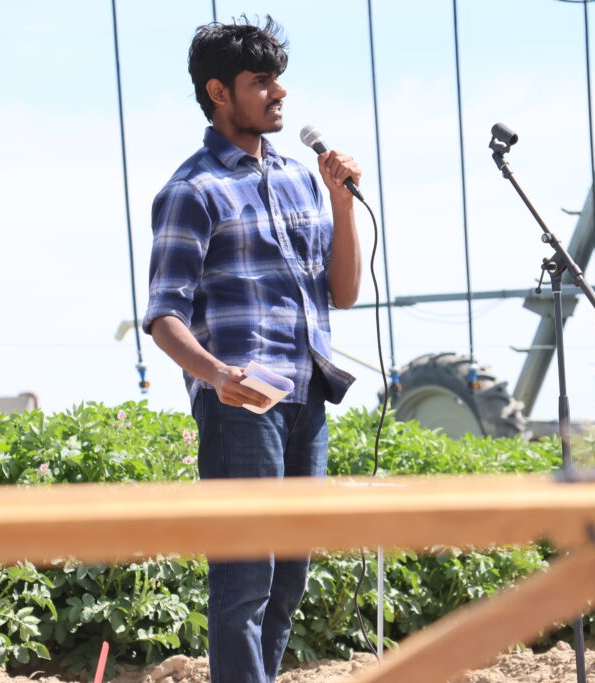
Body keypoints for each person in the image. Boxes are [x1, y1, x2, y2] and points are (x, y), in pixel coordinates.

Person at [141, 17, 361, 683]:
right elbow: (162, 314)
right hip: (241, 408)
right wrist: (217, 376)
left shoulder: (301, 180)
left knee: (288, 576)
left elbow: (343, 293)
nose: (278, 93)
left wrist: (342, 204)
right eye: (260, 82)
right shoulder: (191, 190)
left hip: (308, 397)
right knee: (244, 581)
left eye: (277, 79)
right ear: (218, 92)